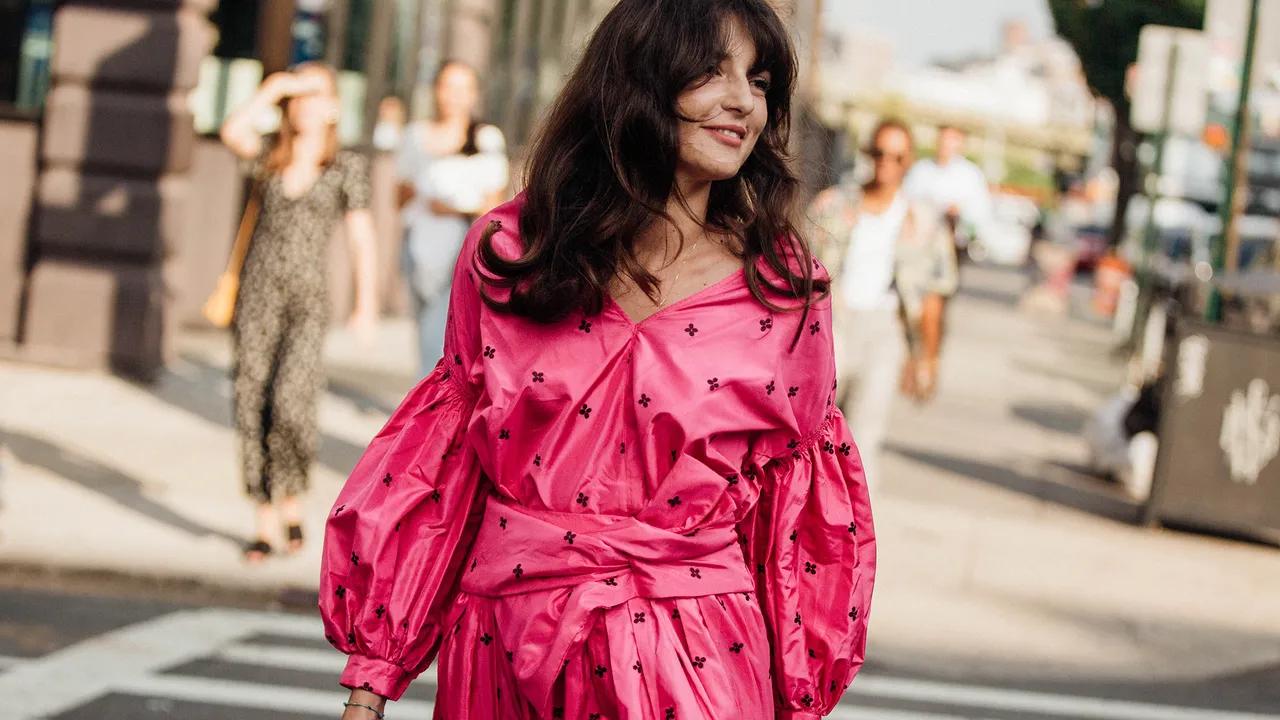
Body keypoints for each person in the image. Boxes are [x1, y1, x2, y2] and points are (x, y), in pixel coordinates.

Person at [320, 2, 876, 718]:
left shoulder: (781, 291)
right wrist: (372, 679)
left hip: (697, 660)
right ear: (638, 79)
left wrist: (801, 696)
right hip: (505, 650)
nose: (744, 99)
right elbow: (443, 469)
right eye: (711, 70)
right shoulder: (515, 252)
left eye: (761, 80)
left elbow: (798, 525)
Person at [219, 63, 378, 562]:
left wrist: (366, 301)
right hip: (257, 295)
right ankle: (265, 519)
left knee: (291, 401)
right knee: (251, 400)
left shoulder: (345, 166)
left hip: (308, 301)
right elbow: (232, 132)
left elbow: (361, 238)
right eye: (301, 97)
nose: (307, 104)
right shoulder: (271, 153)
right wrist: (275, 88)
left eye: (317, 95)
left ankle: (293, 501)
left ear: (333, 106)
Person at [808, 119, 958, 489]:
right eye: (879, 153)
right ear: (867, 154)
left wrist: (926, 358)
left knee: (863, 439)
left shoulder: (923, 223)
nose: (885, 162)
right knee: (810, 430)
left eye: (896, 156)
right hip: (831, 325)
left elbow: (934, 296)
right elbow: (800, 273)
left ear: (908, 162)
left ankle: (853, 535)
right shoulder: (834, 204)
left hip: (885, 329)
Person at [396, 60, 509, 377]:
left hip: (462, 249)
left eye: (462, 88)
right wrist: (423, 192)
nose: (453, 96)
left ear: (474, 95)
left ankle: (432, 404)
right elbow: (399, 196)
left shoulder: (486, 138)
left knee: (439, 335)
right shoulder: (415, 135)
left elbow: (493, 205)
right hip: (417, 245)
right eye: (447, 86)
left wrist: (453, 207)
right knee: (423, 330)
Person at [903, 124, 993, 260]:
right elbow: (904, 199)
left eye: (952, 140)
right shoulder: (921, 169)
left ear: (962, 144)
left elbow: (981, 212)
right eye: (943, 139)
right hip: (918, 242)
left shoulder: (971, 175)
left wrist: (960, 212)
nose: (946, 145)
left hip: (953, 246)